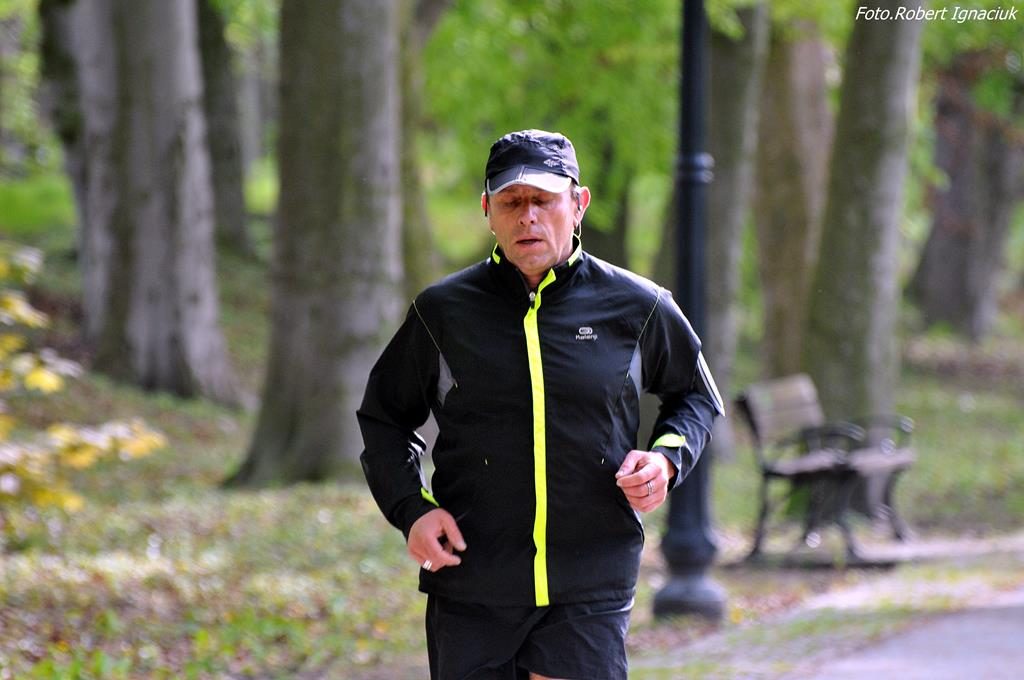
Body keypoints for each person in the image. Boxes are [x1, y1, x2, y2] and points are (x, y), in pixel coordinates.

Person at [358, 129, 724, 680]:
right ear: (488, 211)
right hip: (472, 578)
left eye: (544, 200)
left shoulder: (639, 306)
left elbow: (694, 395)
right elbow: (384, 419)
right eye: (511, 202)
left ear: (578, 205)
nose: (527, 216)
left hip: (590, 578)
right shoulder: (443, 313)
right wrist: (412, 509)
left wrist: (666, 459)